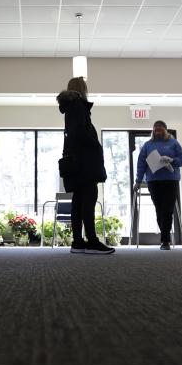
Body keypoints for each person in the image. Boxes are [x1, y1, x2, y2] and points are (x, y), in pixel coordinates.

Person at [57, 77, 115, 255]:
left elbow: (73, 133)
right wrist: (94, 143)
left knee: (78, 202)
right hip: (84, 163)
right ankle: (92, 241)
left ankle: (78, 242)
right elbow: (80, 132)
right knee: (88, 200)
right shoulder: (78, 105)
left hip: (75, 162)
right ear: (83, 89)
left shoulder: (70, 107)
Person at [135, 121, 182, 250]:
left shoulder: (173, 143)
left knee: (167, 210)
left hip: (171, 180)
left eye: (160, 128)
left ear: (165, 130)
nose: (158, 130)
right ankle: (165, 236)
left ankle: (165, 241)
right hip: (154, 181)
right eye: (155, 128)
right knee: (159, 210)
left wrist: (172, 160)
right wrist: (138, 180)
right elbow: (141, 163)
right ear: (153, 131)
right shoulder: (147, 145)